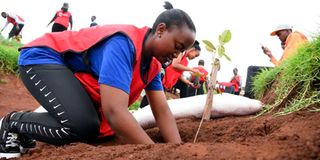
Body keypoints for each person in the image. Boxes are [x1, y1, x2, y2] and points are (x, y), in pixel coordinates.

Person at [0, 2, 196, 158]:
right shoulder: (124, 43)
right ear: (160, 30)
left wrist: (176, 150)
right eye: (177, 46)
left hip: (66, 69)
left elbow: (162, 111)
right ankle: (13, 124)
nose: (176, 55)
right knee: (82, 126)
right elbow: (115, 112)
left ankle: (28, 131)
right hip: (42, 57)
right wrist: (154, 153)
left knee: (92, 128)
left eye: (181, 51)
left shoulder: (152, 66)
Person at [244, 24, 308, 98]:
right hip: (287, 70)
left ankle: (248, 97)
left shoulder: (294, 36)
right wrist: (270, 55)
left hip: (292, 71)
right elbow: (282, 66)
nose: (278, 36)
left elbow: (283, 66)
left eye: (279, 33)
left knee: (253, 69)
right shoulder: (293, 39)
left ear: (287, 30)